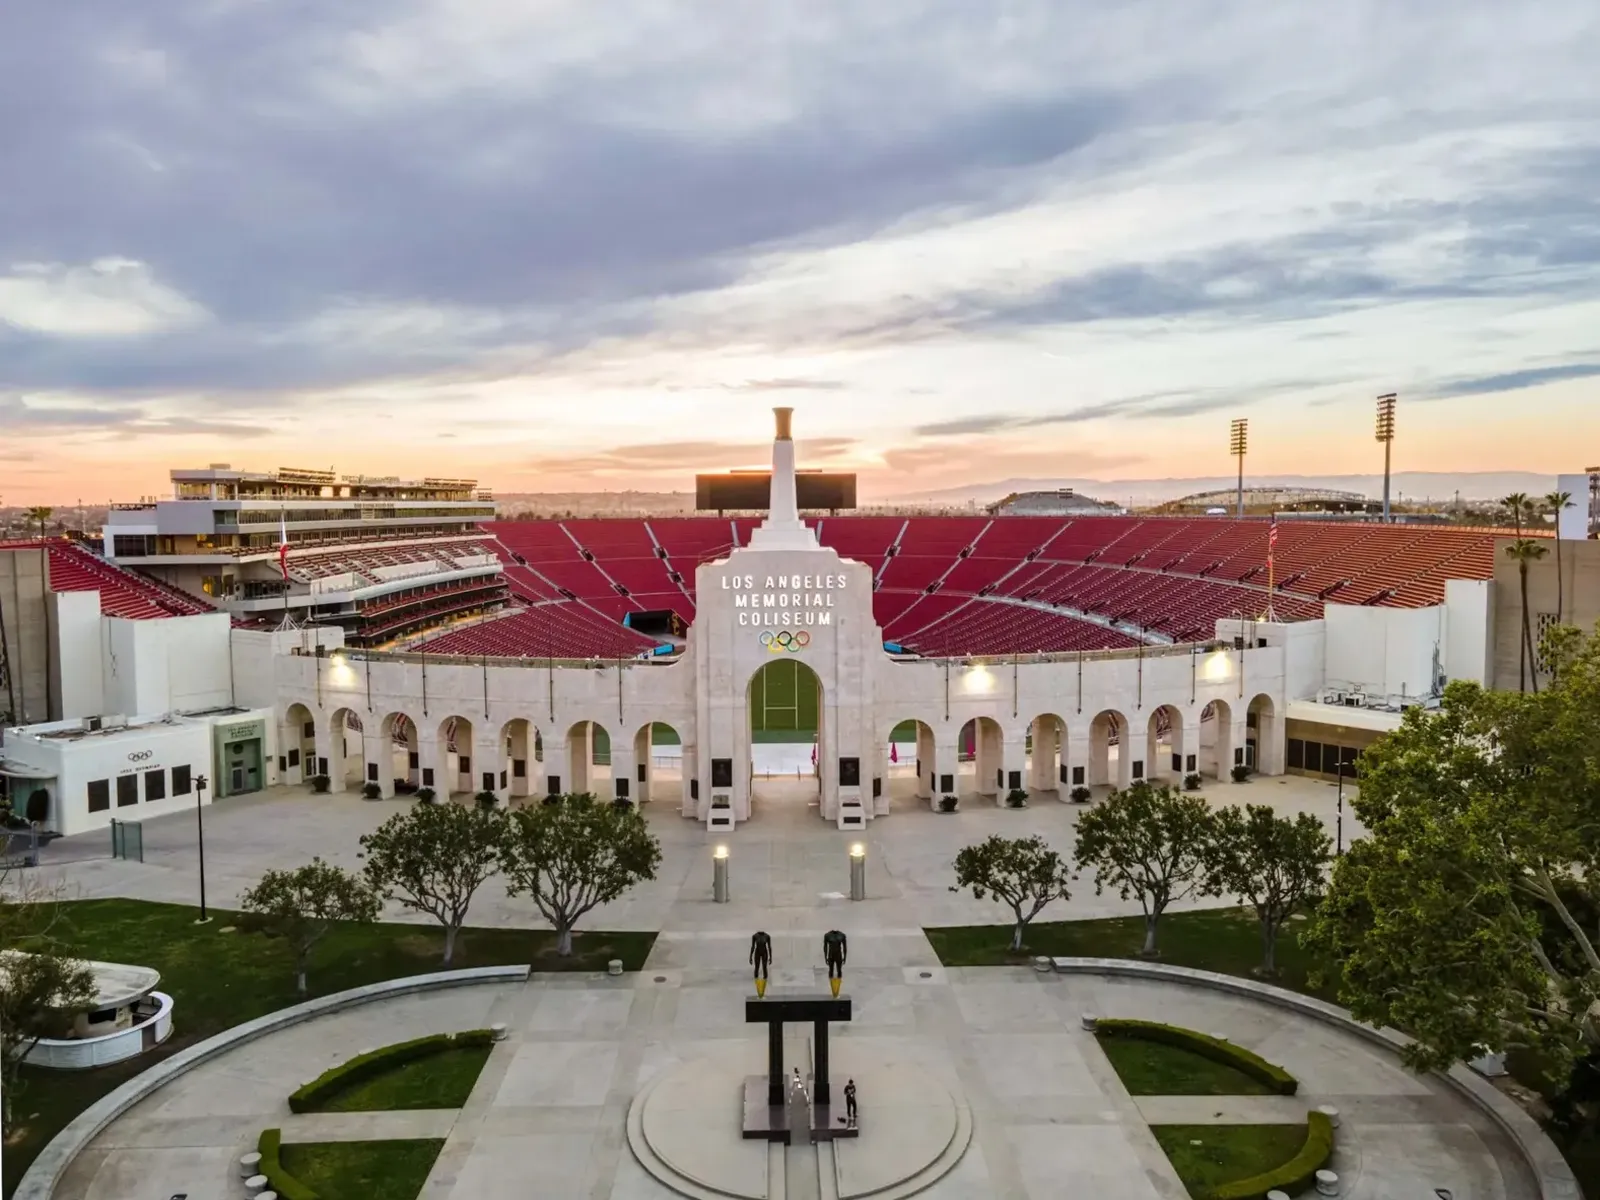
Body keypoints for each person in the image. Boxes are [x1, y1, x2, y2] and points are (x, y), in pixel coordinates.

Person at [823, 929, 847, 997]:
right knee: (831, 970)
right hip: (831, 955)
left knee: (839, 970)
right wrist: (825, 957)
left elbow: (845, 947)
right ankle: (832, 989)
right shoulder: (827, 935)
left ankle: (837, 989)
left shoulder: (842, 935)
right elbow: (825, 947)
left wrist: (845, 957)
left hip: (837, 955)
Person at [750, 930, 772, 997]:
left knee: (764, 967)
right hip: (758, 952)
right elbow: (753, 946)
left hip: (764, 952)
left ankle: (764, 985)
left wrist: (770, 957)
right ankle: (757, 985)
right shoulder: (755, 936)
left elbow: (769, 947)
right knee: (757, 967)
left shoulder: (767, 936)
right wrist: (750, 956)